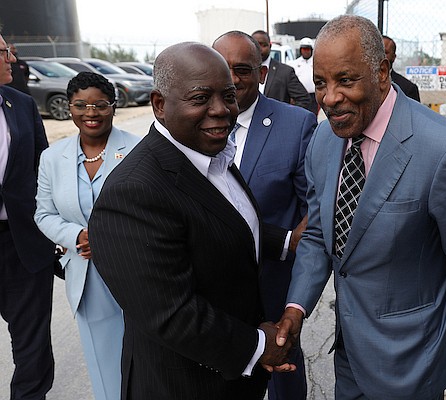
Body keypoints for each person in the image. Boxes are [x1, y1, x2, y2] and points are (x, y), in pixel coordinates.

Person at [274, 15, 446, 400]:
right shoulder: (324, 140)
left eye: (345, 80)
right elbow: (315, 234)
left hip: (411, 359)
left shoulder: (445, 151)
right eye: (320, 83)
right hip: (346, 355)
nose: (329, 98)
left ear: (381, 72)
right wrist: (296, 306)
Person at [87, 42, 295, 400]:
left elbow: (220, 226)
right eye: (200, 98)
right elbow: (172, 313)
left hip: (232, 382)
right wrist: (259, 346)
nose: (220, 111)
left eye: (227, 95)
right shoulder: (133, 192)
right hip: (183, 385)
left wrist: (289, 240)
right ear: (159, 105)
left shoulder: (210, 154)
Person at [213, 31, 317, 400]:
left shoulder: (296, 124)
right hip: (212, 288)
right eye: (223, 69)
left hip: (273, 284)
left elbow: (312, 214)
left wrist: (290, 243)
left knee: (284, 375)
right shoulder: (192, 124)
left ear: (262, 73)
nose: (232, 79)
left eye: (242, 69)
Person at [34, 71, 140, 400]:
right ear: (70, 107)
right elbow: (43, 213)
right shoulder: (52, 158)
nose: (90, 113)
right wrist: (77, 235)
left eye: (99, 105)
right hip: (88, 277)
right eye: (81, 105)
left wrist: (110, 237)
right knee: (105, 366)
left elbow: (154, 210)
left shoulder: (138, 149)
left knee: (149, 362)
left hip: (138, 272)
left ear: (114, 106)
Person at [0, 32, 56, 400]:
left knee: (33, 345)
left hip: (21, 241)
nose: (11, 58)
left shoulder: (20, 104)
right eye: (3, 52)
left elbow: (43, 167)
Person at [251, 30, 312, 112]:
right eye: (256, 45)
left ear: (270, 46)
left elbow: (304, 99)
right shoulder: (240, 71)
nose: (260, 49)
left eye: (263, 45)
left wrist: (286, 117)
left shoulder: (285, 72)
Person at [382, 35, 420, 102]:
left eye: (385, 52)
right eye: (376, 51)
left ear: (393, 57)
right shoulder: (360, 82)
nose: (380, 55)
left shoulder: (407, 89)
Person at [288, 37, 318, 115]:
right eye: (303, 49)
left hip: (314, 97)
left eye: (307, 49)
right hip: (299, 97)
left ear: (311, 50)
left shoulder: (317, 63)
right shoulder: (294, 64)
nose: (305, 51)